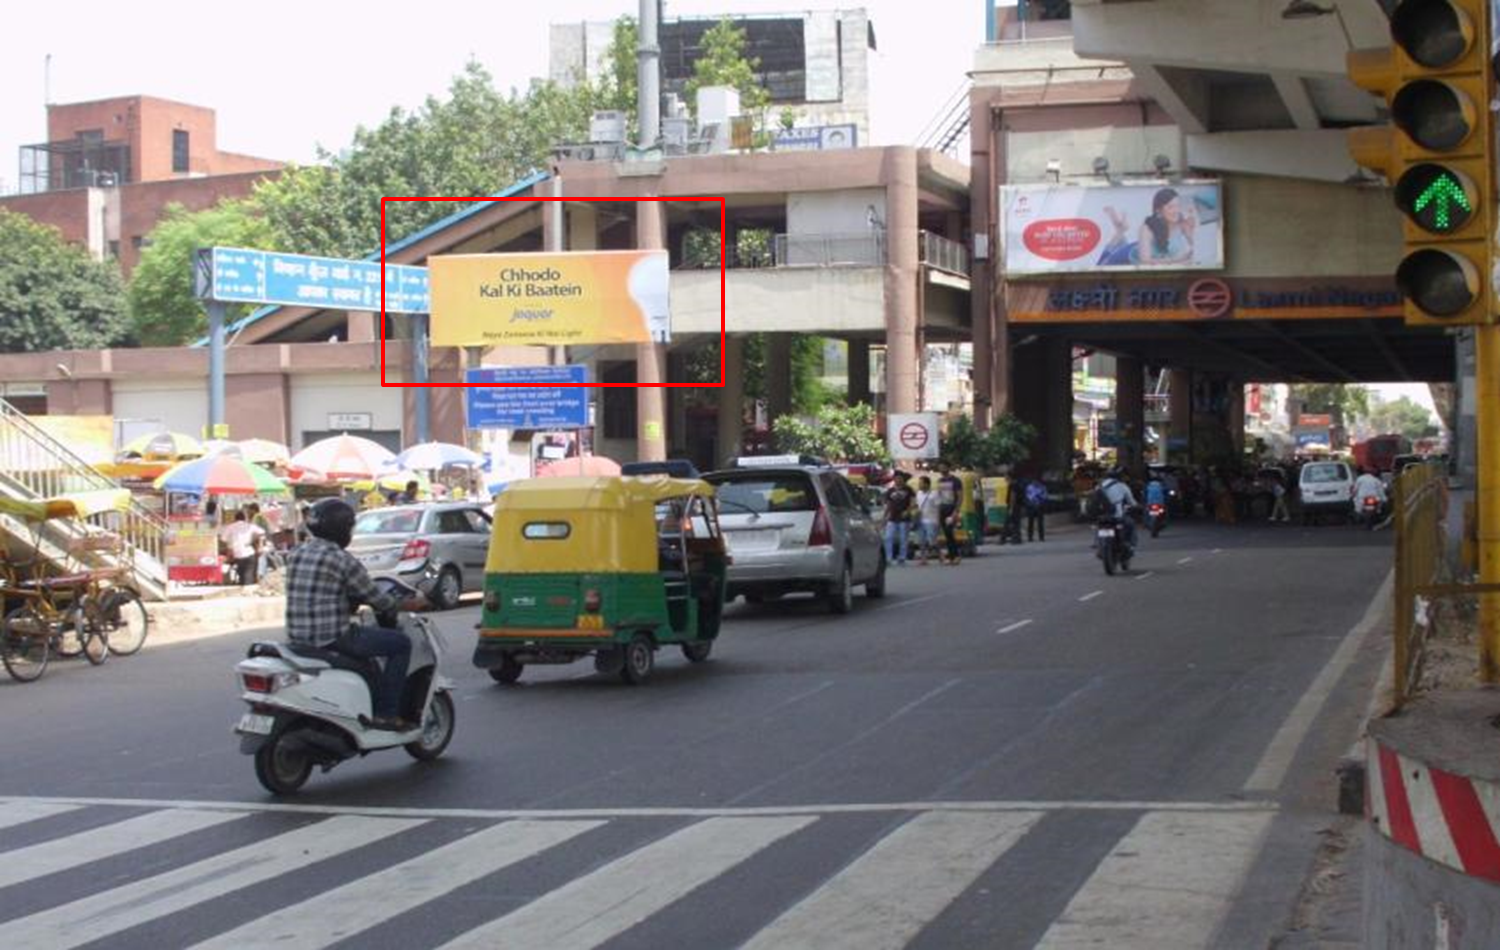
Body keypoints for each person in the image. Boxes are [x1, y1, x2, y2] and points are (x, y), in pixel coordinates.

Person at [285, 498, 425, 731]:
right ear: (342, 529)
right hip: (332, 637)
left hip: (297, 637)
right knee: (400, 644)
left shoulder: (297, 552)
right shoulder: (343, 560)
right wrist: (413, 604)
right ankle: (386, 714)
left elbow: (320, 588)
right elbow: (380, 601)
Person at [219, 510, 266, 586]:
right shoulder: (250, 526)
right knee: (249, 574)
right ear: (244, 518)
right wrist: (260, 545)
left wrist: (229, 548)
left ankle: (243, 588)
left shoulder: (230, 527)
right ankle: (248, 589)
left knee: (241, 574)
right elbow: (262, 533)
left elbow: (223, 539)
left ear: (235, 518)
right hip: (249, 553)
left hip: (237, 555)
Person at [1099, 467, 1139, 551]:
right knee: (1131, 525)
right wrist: (1136, 506)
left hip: (1102, 515)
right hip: (1117, 515)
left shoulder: (1100, 485)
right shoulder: (1123, 486)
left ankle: (1099, 545)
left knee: (1100, 527)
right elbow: (1132, 502)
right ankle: (1131, 546)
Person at [883, 472, 915, 567]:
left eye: (900, 478)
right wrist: (885, 516)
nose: (898, 480)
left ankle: (902, 557)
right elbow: (888, 505)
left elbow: (912, 502)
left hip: (904, 518)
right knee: (888, 537)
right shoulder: (890, 491)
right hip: (892, 517)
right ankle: (888, 558)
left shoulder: (908, 490)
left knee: (903, 538)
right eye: (896, 478)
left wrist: (908, 511)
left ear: (903, 479)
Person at [937, 465, 964, 565]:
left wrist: (956, 511)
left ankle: (955, 555)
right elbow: (939, 495)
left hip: (951, 508)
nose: (941, 469)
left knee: (949, 531)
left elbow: (960, 496)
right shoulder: (940, 481)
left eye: (943, 467)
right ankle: (951, 555)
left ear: (948, 468)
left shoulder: (955, 480)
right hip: (943, 508)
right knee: (946, 534)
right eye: (940, 468)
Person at [914, 475, 942, 565]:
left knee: (932, 541)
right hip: (920, 520)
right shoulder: (918, 493)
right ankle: (923, 559)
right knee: (921, 541)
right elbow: (917, 505)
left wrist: (939, 521)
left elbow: (939, 507)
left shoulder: (934, 494)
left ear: (927, 484)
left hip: (932, 520)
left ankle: (941, 556)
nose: (919, 485)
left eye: (921, 483)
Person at [1024, 475, 1049, 542]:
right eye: (1034, 481)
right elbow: (1027, 496)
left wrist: (1040, 502)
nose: (1035, 482)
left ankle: (1041, 537)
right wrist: (1031, 503)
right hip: (1031, 506)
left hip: (1039, 506)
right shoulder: (1029, 487)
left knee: (1040, 523)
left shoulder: (1042, 487)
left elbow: (1045, 496)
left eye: (1036, 481)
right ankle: (1030, 537)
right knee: (1030, 523)